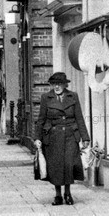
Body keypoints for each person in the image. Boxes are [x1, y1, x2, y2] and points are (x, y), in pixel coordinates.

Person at [34, 72, 90, 206]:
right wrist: (37, 137)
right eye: (54, 84)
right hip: (52, 137)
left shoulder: (73, 96)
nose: (57, 86)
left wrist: (85, 137)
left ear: (65, 84)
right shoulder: (45, 98)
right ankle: (58, 195)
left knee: (69, 165)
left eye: (59, 84)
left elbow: (79, 118)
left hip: (71, 135)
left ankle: (68, 193)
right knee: (56, 166)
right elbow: (41, 120)